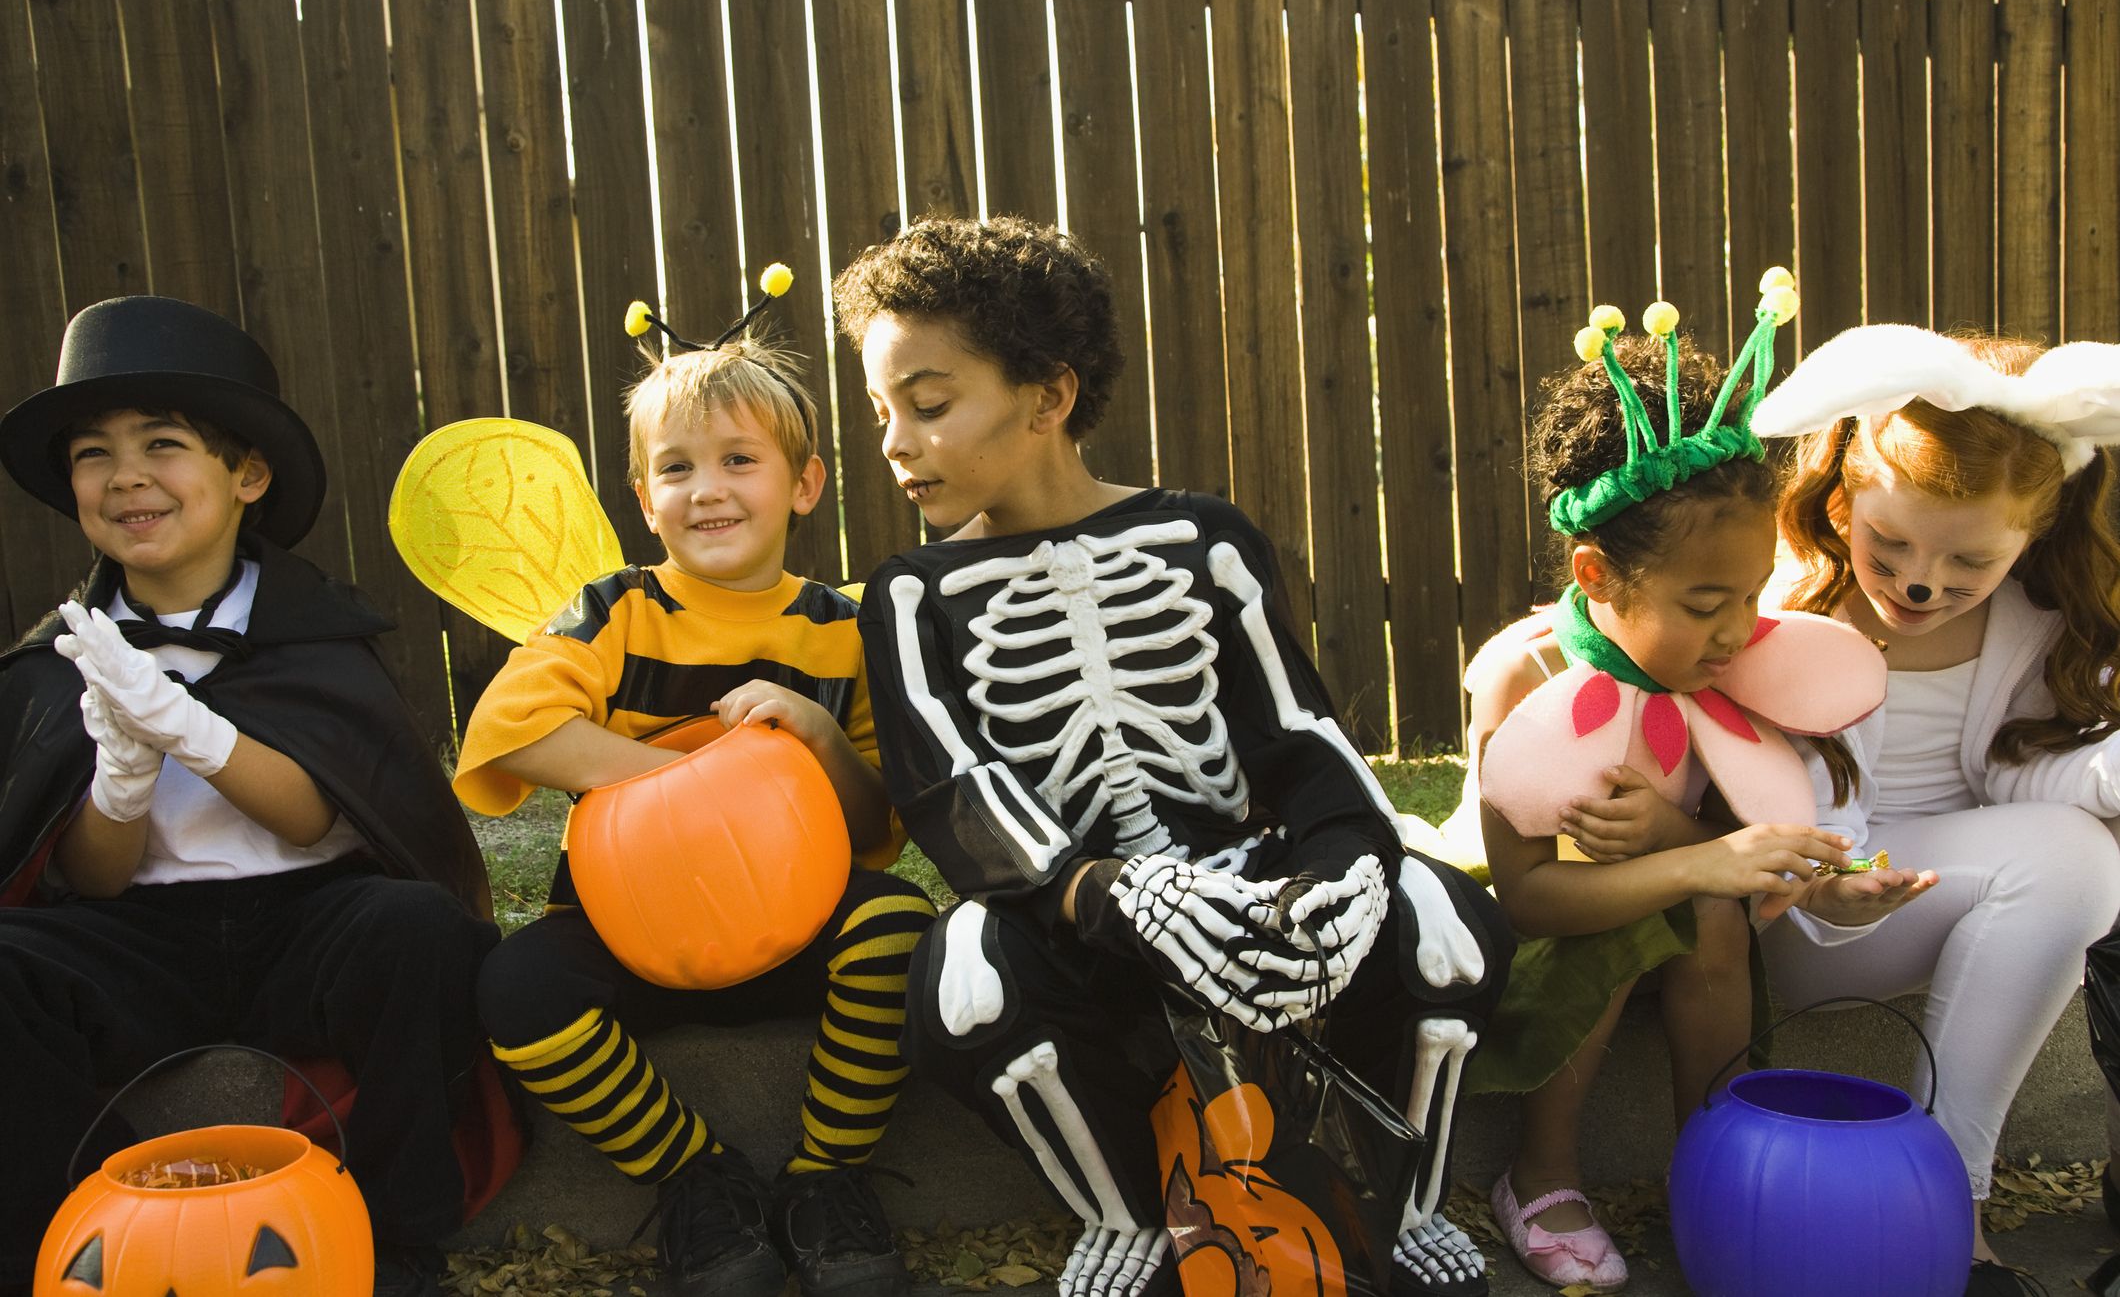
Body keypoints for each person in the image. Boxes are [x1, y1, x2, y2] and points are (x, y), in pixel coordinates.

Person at [835, 215, 1511, 1297]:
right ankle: (1129, 1214)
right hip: (1072, 912)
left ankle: (1397, 1197)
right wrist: (1107, 891)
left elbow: (1299, 729)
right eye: (880, 413)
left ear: (1047, 397)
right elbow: (947, 787)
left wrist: (1346, 869)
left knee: (1445, 929)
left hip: (1246, 880)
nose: (894, 442)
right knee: (961, 984)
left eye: (927, 404)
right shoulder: (910, 593)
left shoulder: (1203, 536)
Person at [0, 295, 499, 1297]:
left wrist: (192, 730)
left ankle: (400, 1241)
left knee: (416, 929)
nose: (127, 474)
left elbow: (318, 813)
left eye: (164, 443)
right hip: (139, 936)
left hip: (305, 926)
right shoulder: (60, 663)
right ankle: (61, 1239)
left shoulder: (319, 638)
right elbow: (87, 879)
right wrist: (123, 768)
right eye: (93, 453)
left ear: (246, 475)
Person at [1452, 279, 1935, 1292]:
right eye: (1704, 601)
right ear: (1594, 575)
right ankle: (1537, 1170)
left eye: (1751, 594)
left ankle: (1709, 1163)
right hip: (1535, 928)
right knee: (1658, 909)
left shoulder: (1733, 665)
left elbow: (1733, 830)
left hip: (1684, 909)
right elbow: (1530, 893)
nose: (1734, 629)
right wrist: (1699, 855)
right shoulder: (1523, 676)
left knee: (1710, 914)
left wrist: (1809, 879)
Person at [458, 289, 935, 1297]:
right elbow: (515, 729)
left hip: (794, 917)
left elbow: (875, 828)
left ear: (802, 485)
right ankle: (694, 1178)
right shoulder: (612, 613)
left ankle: (823, 1177)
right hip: (628, 927)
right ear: (642, 497)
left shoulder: (840, 631)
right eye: (675, 467)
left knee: (898, 924)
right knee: (515, 989)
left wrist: (809, 731)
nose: (706, 489)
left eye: (737, 460)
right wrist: (695, 788)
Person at [1752, 324, 2120, 1296]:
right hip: (1805, 912)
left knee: (2081, 846)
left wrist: (2107, 774)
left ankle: (1942, 1208)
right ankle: (1943, 1208)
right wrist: (1831, 880)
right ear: (1840, 499)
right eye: (1889, 542)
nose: (1919, 581)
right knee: (2072, 858)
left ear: (2027, 540)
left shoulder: (2034, 625)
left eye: (1964, 564)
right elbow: (1766, 799)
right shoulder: (1793, 615)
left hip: (1953, 884)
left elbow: (2015, 780)